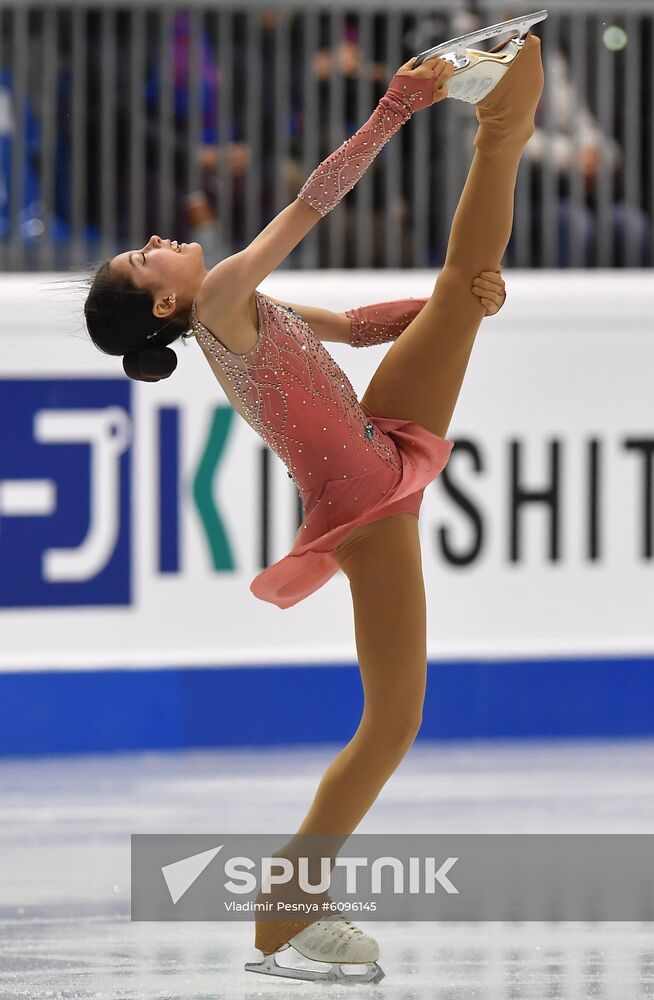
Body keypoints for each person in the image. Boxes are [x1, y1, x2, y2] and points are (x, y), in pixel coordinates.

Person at [83, 18, 543, 984]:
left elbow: (356, 328)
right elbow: (312, 200)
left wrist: (454, 310)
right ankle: (285, 909)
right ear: (164, 305)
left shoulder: (232, 307)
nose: (160, 240)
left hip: (377, 446)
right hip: (367, 507)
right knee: (393, 722)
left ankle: (502, 108)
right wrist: (394, 106)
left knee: (461, 281)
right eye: (144, 258)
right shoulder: (218, 301)